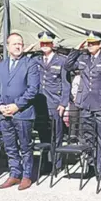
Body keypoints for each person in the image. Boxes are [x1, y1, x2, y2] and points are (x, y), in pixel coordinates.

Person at [65, 30, 101, 179]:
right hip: (85, 103)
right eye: (89, 43)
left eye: (94, 43)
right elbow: (68, 66)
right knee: (88, 138)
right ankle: (90, 165)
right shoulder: (83, 58)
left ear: (100, 44)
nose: (90, 46)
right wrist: (76, 49)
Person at [0, 32, 41, 190]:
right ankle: (14, 174)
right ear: (7, 46)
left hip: (22, 113)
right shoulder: (1, 65)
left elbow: (33, 89)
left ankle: (27, 176)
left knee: (25, 146)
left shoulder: (30, 64)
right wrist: (0, 105)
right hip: (4, 113)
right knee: (10, 146)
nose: (18, 46)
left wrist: (17, 105)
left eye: (20, 43)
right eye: (14, 44)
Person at [32, 31, 70, 172]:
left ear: (52, 44)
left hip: (55, 102)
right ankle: (45, 163)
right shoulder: (36, 60)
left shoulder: (61, 60)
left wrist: (63, 103)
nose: (45, 45)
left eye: (47, 43)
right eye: (43, 43)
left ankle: (57, 164)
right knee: (43, 134)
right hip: (40, 103)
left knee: (56, 135)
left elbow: (66, 84)